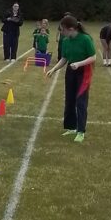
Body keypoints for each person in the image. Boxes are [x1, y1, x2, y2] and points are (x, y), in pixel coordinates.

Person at [46, 16, 96, 144]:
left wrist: (79, 64)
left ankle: (80, 131)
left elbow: (93, 57)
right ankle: (71, 127)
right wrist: (53, 69)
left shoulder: (85, 39)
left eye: (63, 30)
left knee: (80, 101)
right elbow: (64, 59)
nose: (61, 32)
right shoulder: (66, 41)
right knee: (70, 100)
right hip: (71, 71)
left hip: (84, 71)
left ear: (71, 29)